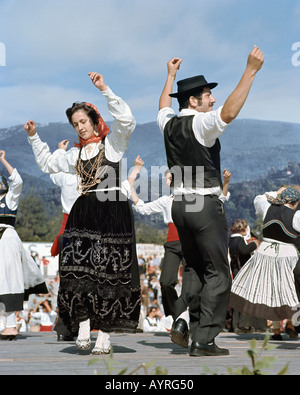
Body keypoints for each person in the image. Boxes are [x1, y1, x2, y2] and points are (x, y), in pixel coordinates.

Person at [158, 46, 264, 357]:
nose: (213, 100)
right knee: (218, 272)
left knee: (193, 268)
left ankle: (184, 323)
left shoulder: (169, 123)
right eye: (208, 95)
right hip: (203, 204)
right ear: (193, 101)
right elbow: (229, 112)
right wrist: (251, 71)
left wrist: (170, 76)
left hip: (180, 205)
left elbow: (164, 105)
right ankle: (203, 339)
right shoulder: (201, 124)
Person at [24, 72, 140, 355]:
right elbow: (48, 164)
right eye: (76, 124)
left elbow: (127, 121)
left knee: (110, 273)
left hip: (113, 212)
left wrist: (104, 89)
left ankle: (106, 334)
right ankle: (85, 324)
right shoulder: (74, 155)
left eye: (84, 122)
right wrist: (34, 137)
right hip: (84, 212)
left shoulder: (111, 146)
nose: (80, 128)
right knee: (77, 271)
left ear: (94, 120)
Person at [230, 186, 300, 340]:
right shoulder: (296, 216)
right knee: (289, 293)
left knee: (271, 291)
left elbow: (259, 197)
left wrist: (277, 192)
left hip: (266, 253)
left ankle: (276, 330)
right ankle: (292, 323)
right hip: (286, 256)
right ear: (296, 202)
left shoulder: (268, 207)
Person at [0, 150, 48, 340]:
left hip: (7, 238)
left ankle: (11, 324)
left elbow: (18, 181)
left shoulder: (9, 199)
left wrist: (3, 160)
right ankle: (5, 323)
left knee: (9, 280)